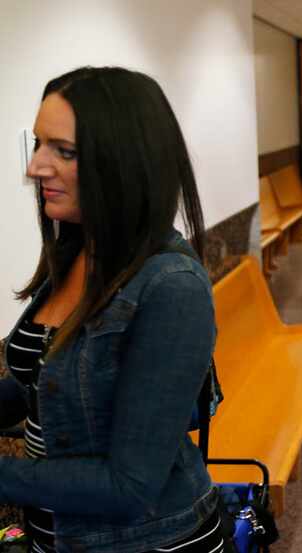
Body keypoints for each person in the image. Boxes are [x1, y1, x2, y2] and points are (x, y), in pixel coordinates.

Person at [1, 67, 225, 552]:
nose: (34, 167)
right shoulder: (79, 251)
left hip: (144, 540)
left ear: (123, 161)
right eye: (38, 144)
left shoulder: (170, 286)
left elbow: (129, 486)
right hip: (58, 533)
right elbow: (44, 382)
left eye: (63, 151)